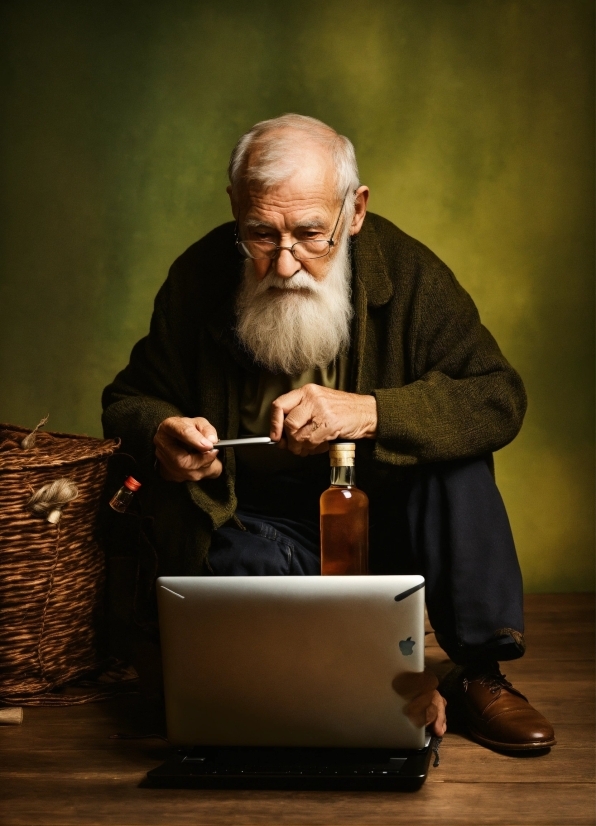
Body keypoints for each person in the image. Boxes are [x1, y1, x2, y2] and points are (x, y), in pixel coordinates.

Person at [102, 114, 555, 752]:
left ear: (356, 209)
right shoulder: (199, 275)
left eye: (312, 233)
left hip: (384, 515)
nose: (285, 264)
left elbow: (498, 397)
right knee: (235, 584)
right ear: (235, 206)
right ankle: (342, 683)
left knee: (458, 461)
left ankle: (480, 672)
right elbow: (128, 399)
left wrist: (369, 412)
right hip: (258, 521)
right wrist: (161, 432)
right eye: (261, 233)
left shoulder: (410, 274)